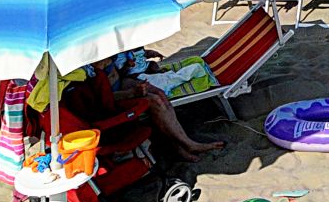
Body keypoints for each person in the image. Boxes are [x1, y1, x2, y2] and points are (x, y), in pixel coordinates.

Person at [73, 53, 223, 161]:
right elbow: (103, 100)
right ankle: (187, 144)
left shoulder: (103, 48)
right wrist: (131, 93)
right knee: (154, 101)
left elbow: (117, 73)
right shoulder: (88, 68)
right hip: (113, 100)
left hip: (122, 83)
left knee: (159, 93)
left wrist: (131, 67)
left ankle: (179, 145)